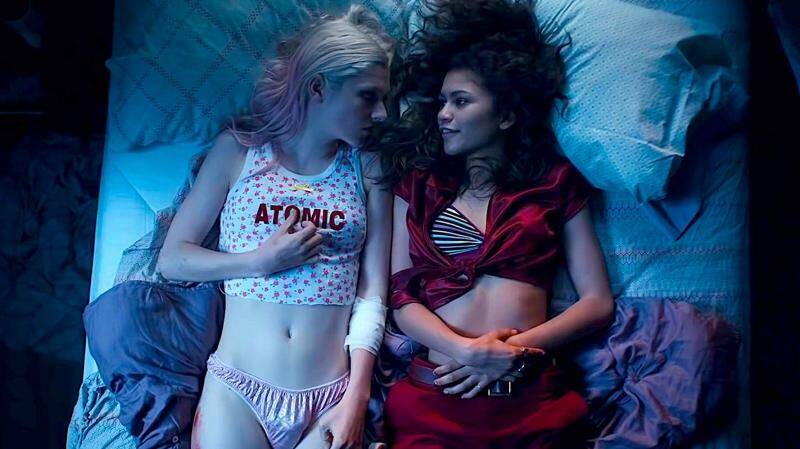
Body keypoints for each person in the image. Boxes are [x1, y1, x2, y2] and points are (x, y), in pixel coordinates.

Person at [373, 0, 615, 447]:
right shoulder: (416, 185)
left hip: (533, 401)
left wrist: (509, 354)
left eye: (461, 101)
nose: (443, 114)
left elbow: (597, 303)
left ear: (505, 115)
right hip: (434, 401)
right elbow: (401, 296)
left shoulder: (555, 182)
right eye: (442, 101)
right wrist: (467, 351)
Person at [156, 6, 394, 449]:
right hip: (238, 391)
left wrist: (357, 398)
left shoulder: (368, 167)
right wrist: (260, 261)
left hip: (331, 396)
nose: (381, 113)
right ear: (318, 87)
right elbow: (173, 260)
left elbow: (373, 292)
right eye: (368, 96)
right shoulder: (239, 151)